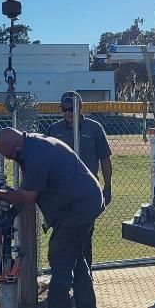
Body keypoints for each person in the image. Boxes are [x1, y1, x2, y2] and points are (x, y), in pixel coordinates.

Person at [0, 127, 104, 308]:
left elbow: (27, 196)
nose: (11, 160)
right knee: (75, 255)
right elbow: (30, 188)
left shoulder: (36, 154)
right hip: (84, 202)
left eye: (10, 155)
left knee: (60, 258)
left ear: (16, 146)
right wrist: (11, 211)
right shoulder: (31, 146)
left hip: (78, 208)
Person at [46, 91, 112, 278]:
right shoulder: (54, 130)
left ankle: (84, 276)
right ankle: (62, 276)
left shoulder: (94, 129)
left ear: (80, 107)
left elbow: (105, 159)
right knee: (61, 236)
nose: (67, 112)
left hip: (87, 194)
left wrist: (107, 187)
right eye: (64, 108)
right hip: (61, 194)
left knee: (84, 235)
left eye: (71, 108)